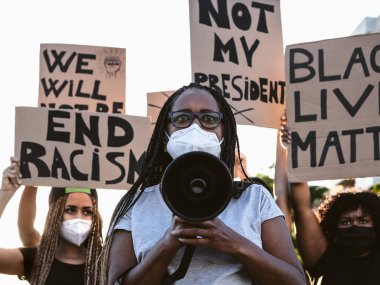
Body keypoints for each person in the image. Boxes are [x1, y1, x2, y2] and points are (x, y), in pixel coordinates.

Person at [101, 83, 306, 285]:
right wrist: (168, 243)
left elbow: (296, 281)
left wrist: (235, 243)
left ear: (225, 135)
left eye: (209, 119)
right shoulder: (136, 205)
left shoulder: (255, 199)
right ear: (164, 137)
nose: (195, 127)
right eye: (182, 118)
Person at [279, 117, 380, 285]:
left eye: (363, 220)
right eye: (346, 222)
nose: (354, 226)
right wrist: (295, 148)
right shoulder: (323, 257)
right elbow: (302, 207)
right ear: (333, 226)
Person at [0, 157, 103, 285]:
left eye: (87, 211)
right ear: (55, 215)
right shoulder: (38, 260)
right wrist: (5, 192)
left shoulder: (107, 264)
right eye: (70, 210)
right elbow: (27, 229)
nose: (79, 218)